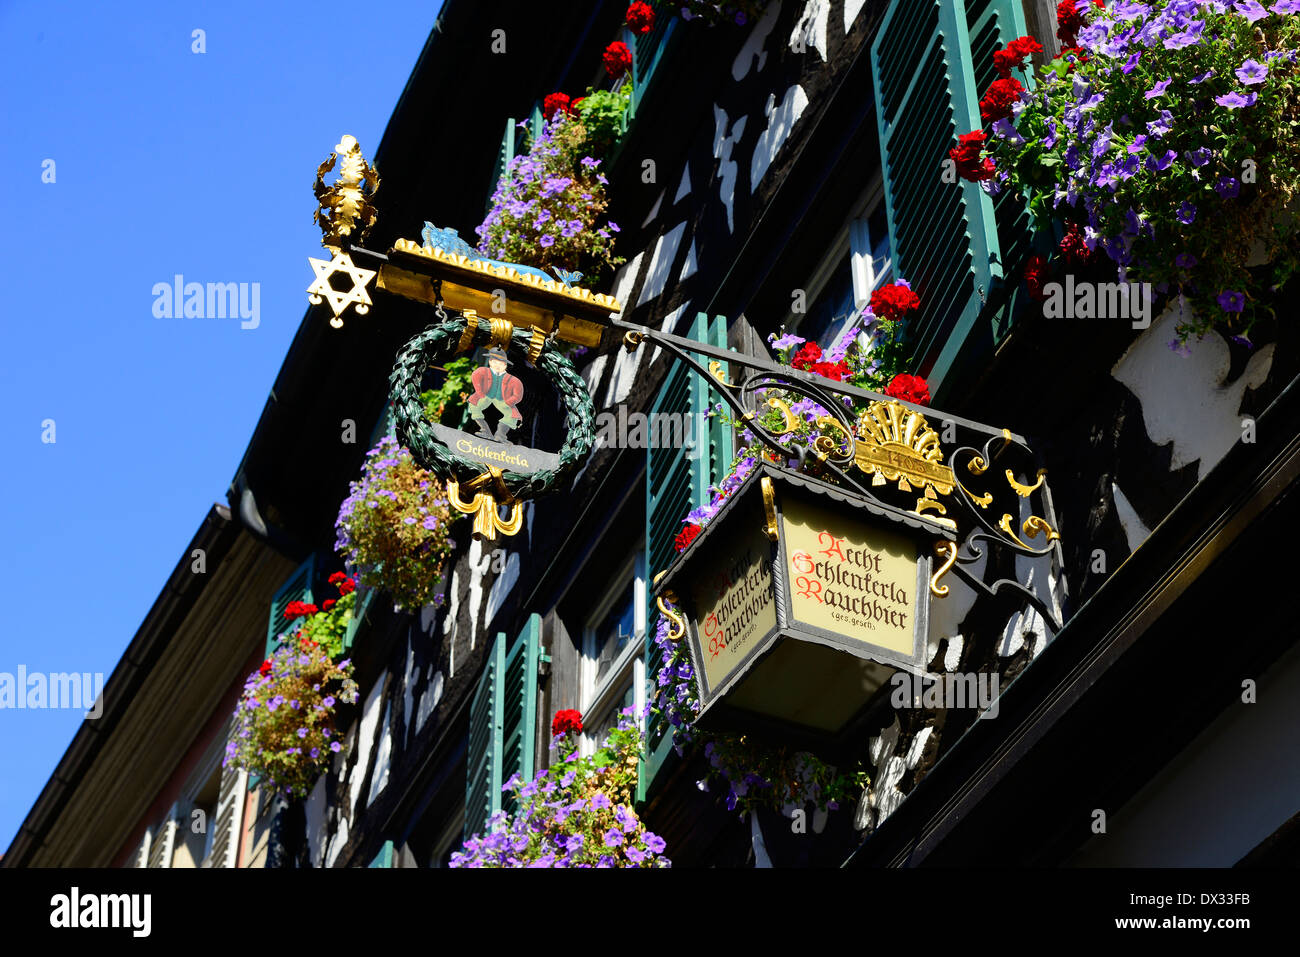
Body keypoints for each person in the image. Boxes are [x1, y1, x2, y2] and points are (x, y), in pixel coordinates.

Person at [468, 348, 524, 442]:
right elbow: (475, 375)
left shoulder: (513, 380)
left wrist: (509, 401)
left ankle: (500, 436)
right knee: (474, 406)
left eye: (501, 363)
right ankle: (485, 430)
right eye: (495, 362)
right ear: (490, 362)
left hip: (502, 400)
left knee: (512, 415)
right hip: (486, 396)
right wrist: (479, 391)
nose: (497, 365)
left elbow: (518, 394)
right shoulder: (483, 371)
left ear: (505, 365)